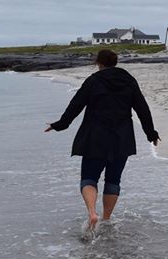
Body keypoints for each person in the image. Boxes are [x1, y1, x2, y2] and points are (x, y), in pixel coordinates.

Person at [45, 48, 159, 234]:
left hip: (95, 137)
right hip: (121, 139)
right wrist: (151, 134)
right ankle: (106, 220)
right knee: (113, 180)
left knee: (89, 178)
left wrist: (60, 125)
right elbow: (142, 109)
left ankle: (92, 213)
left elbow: (75, 106)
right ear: (115, 62)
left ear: (98, 62)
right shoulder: (129, 81)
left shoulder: (93, 81)